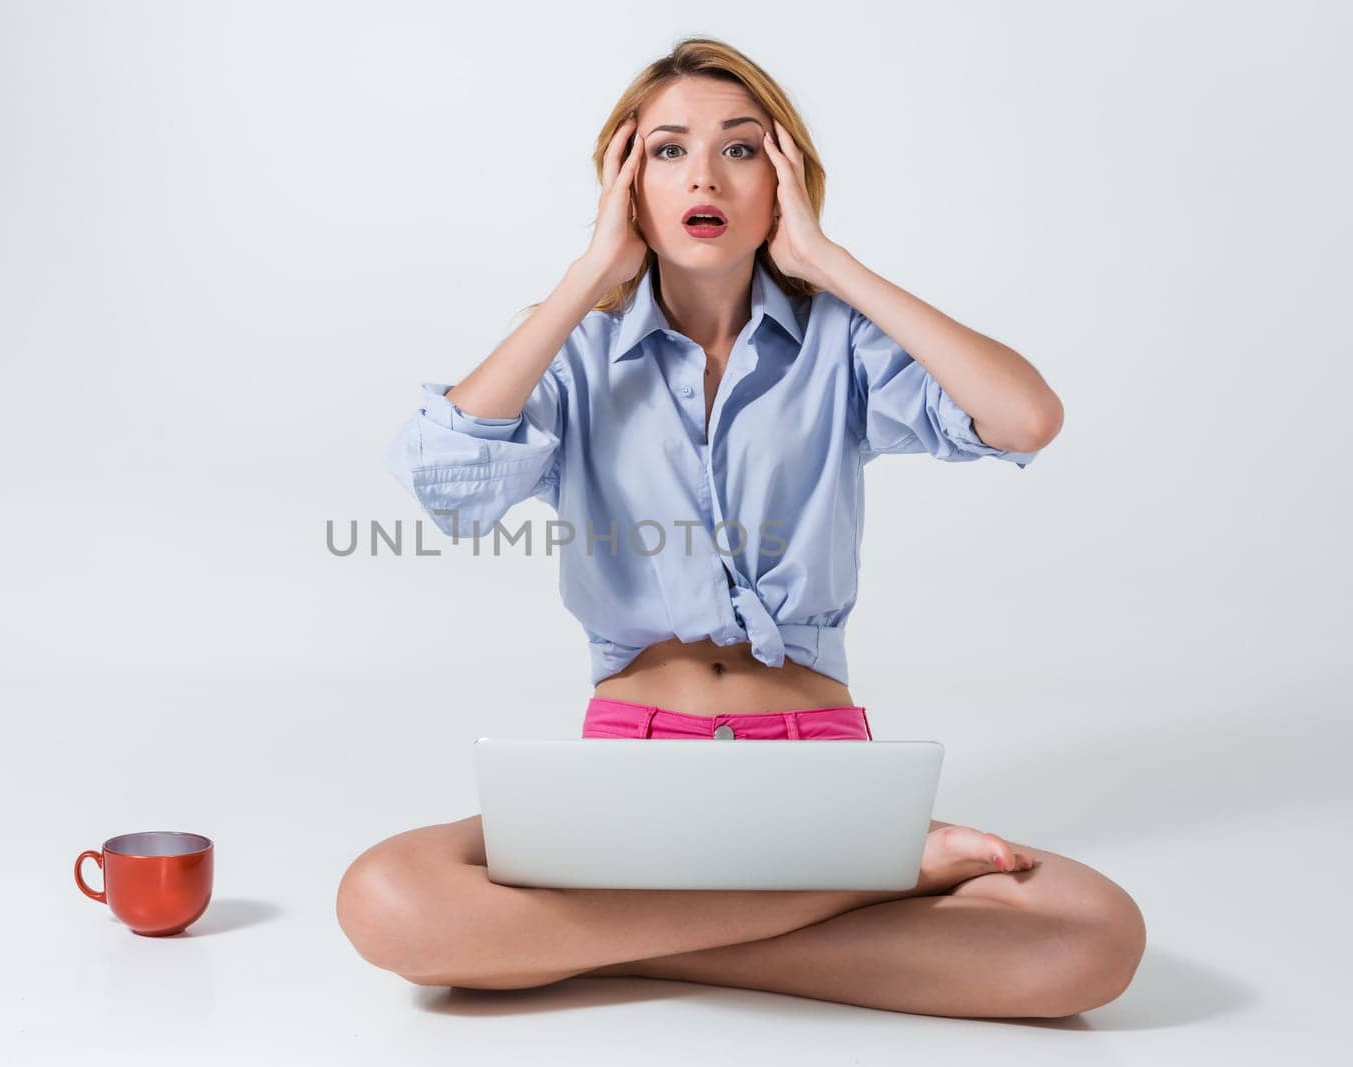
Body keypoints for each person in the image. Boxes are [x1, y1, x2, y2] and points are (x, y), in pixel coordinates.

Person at [337, 38, 1144, 1019]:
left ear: (783, 182)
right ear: (626, 184)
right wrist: (591, 269)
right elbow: (447, 487)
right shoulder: (576, 353)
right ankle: (859, 891)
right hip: (629, 764)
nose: (703, 175)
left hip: (817, 761)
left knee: (1093, 931)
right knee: (383, 891)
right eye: (667, 151)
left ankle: (588, 949)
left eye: (741, 149)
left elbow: (1023, 417)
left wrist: (828, 263)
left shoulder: (841, 345)